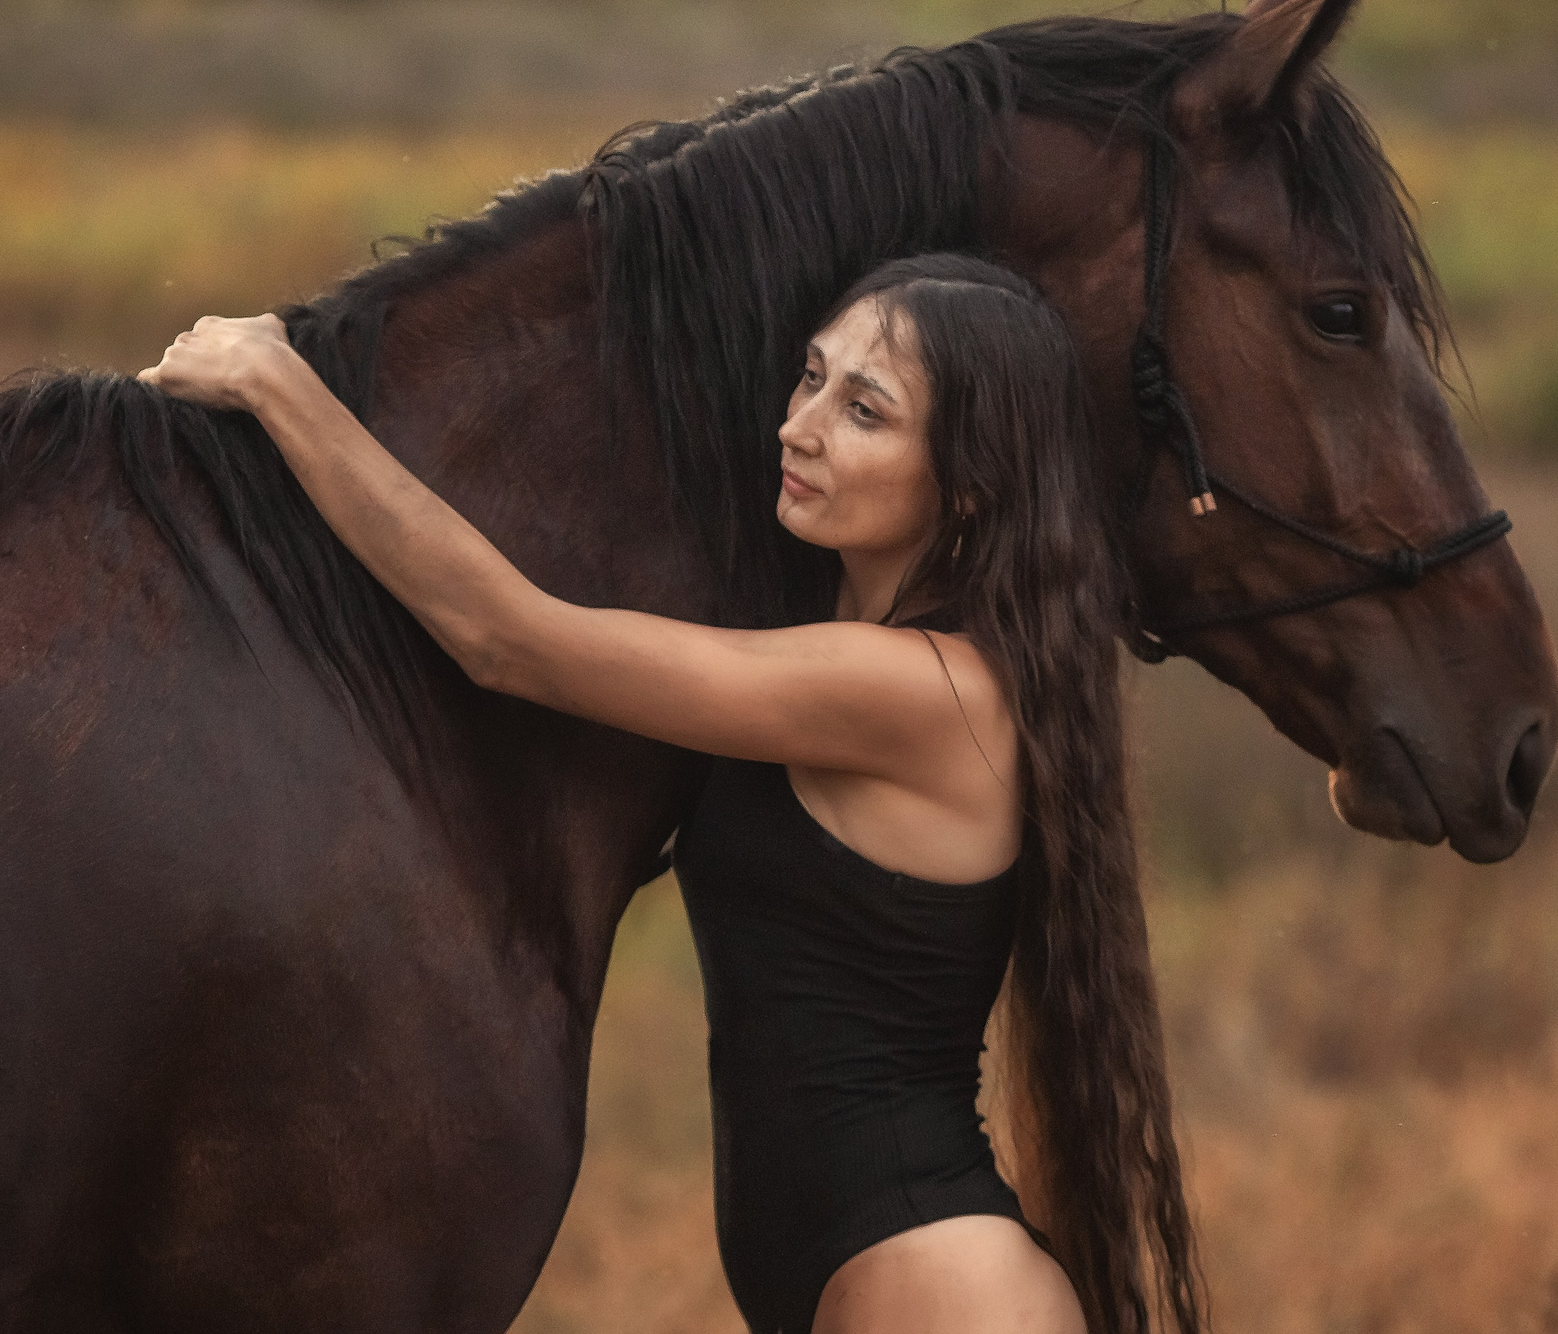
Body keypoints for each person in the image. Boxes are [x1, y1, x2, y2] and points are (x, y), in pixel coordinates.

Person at [139, 252, 1207, 1334]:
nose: (800, 425)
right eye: (810, 376)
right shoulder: (837, 645)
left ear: (970, 482)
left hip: (940, 1283)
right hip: (858, 1269)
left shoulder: (927, 690)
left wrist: (282, 385)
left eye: (865, 409)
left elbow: (507, 638)